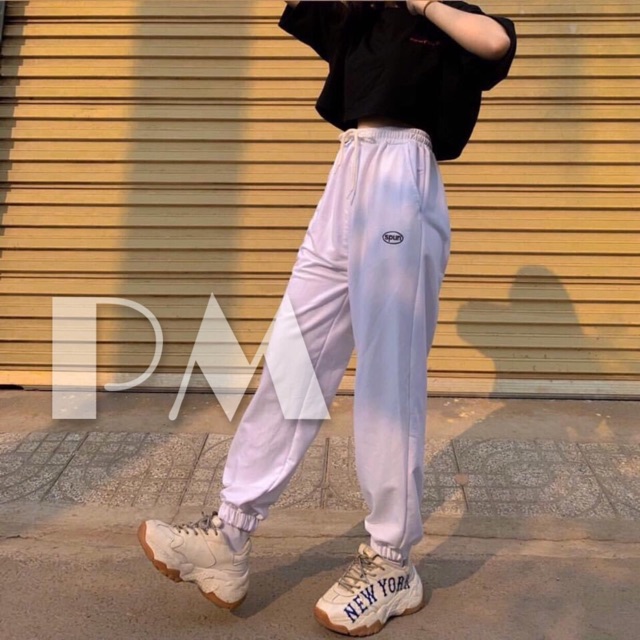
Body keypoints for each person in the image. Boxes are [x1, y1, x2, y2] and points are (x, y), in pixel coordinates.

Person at [137, 1, 517, 635]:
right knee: (295, 357)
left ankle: (392, 561)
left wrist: (422, 3)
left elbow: (495, 43)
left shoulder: (451, 18)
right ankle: (230, 534)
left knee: (388, 379)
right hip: (347, 169)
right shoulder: (361, 17)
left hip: (402, 175)